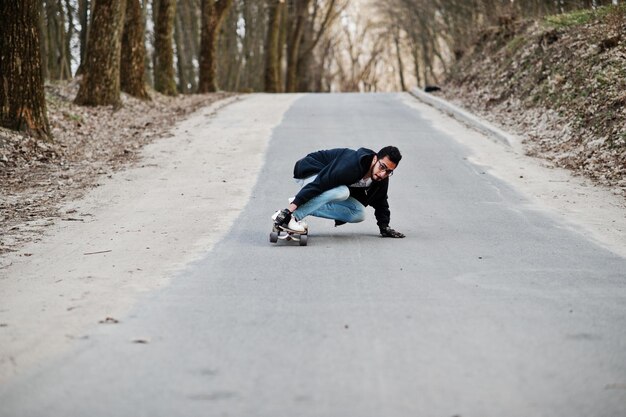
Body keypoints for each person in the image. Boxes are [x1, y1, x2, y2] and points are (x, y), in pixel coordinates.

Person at [271, 146, 405, 238]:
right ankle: (293, 216)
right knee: (342, 192)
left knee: (359, 214)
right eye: (382, 167)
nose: (383, 173)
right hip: (312, 172)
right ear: (375, 159)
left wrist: (384, 227)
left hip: (326, 185)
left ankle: (299, 203)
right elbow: (319, 184)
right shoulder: (352, 164)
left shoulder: (381, 178)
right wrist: (289, 212)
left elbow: (381, 201)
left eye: (388, 171)